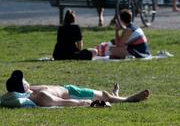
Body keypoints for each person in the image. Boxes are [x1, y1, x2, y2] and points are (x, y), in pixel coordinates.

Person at [6, 70, 150, 107]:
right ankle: (128, 99)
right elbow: (64, 103)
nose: (26, 80)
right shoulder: (42, 97)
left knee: (105, 94)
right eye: (24, 81)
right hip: (73, 94)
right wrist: (86, 103)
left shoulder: (31, 89)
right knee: (105, 96)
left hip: (69, 88)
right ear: (22, 87)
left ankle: (115, 95)